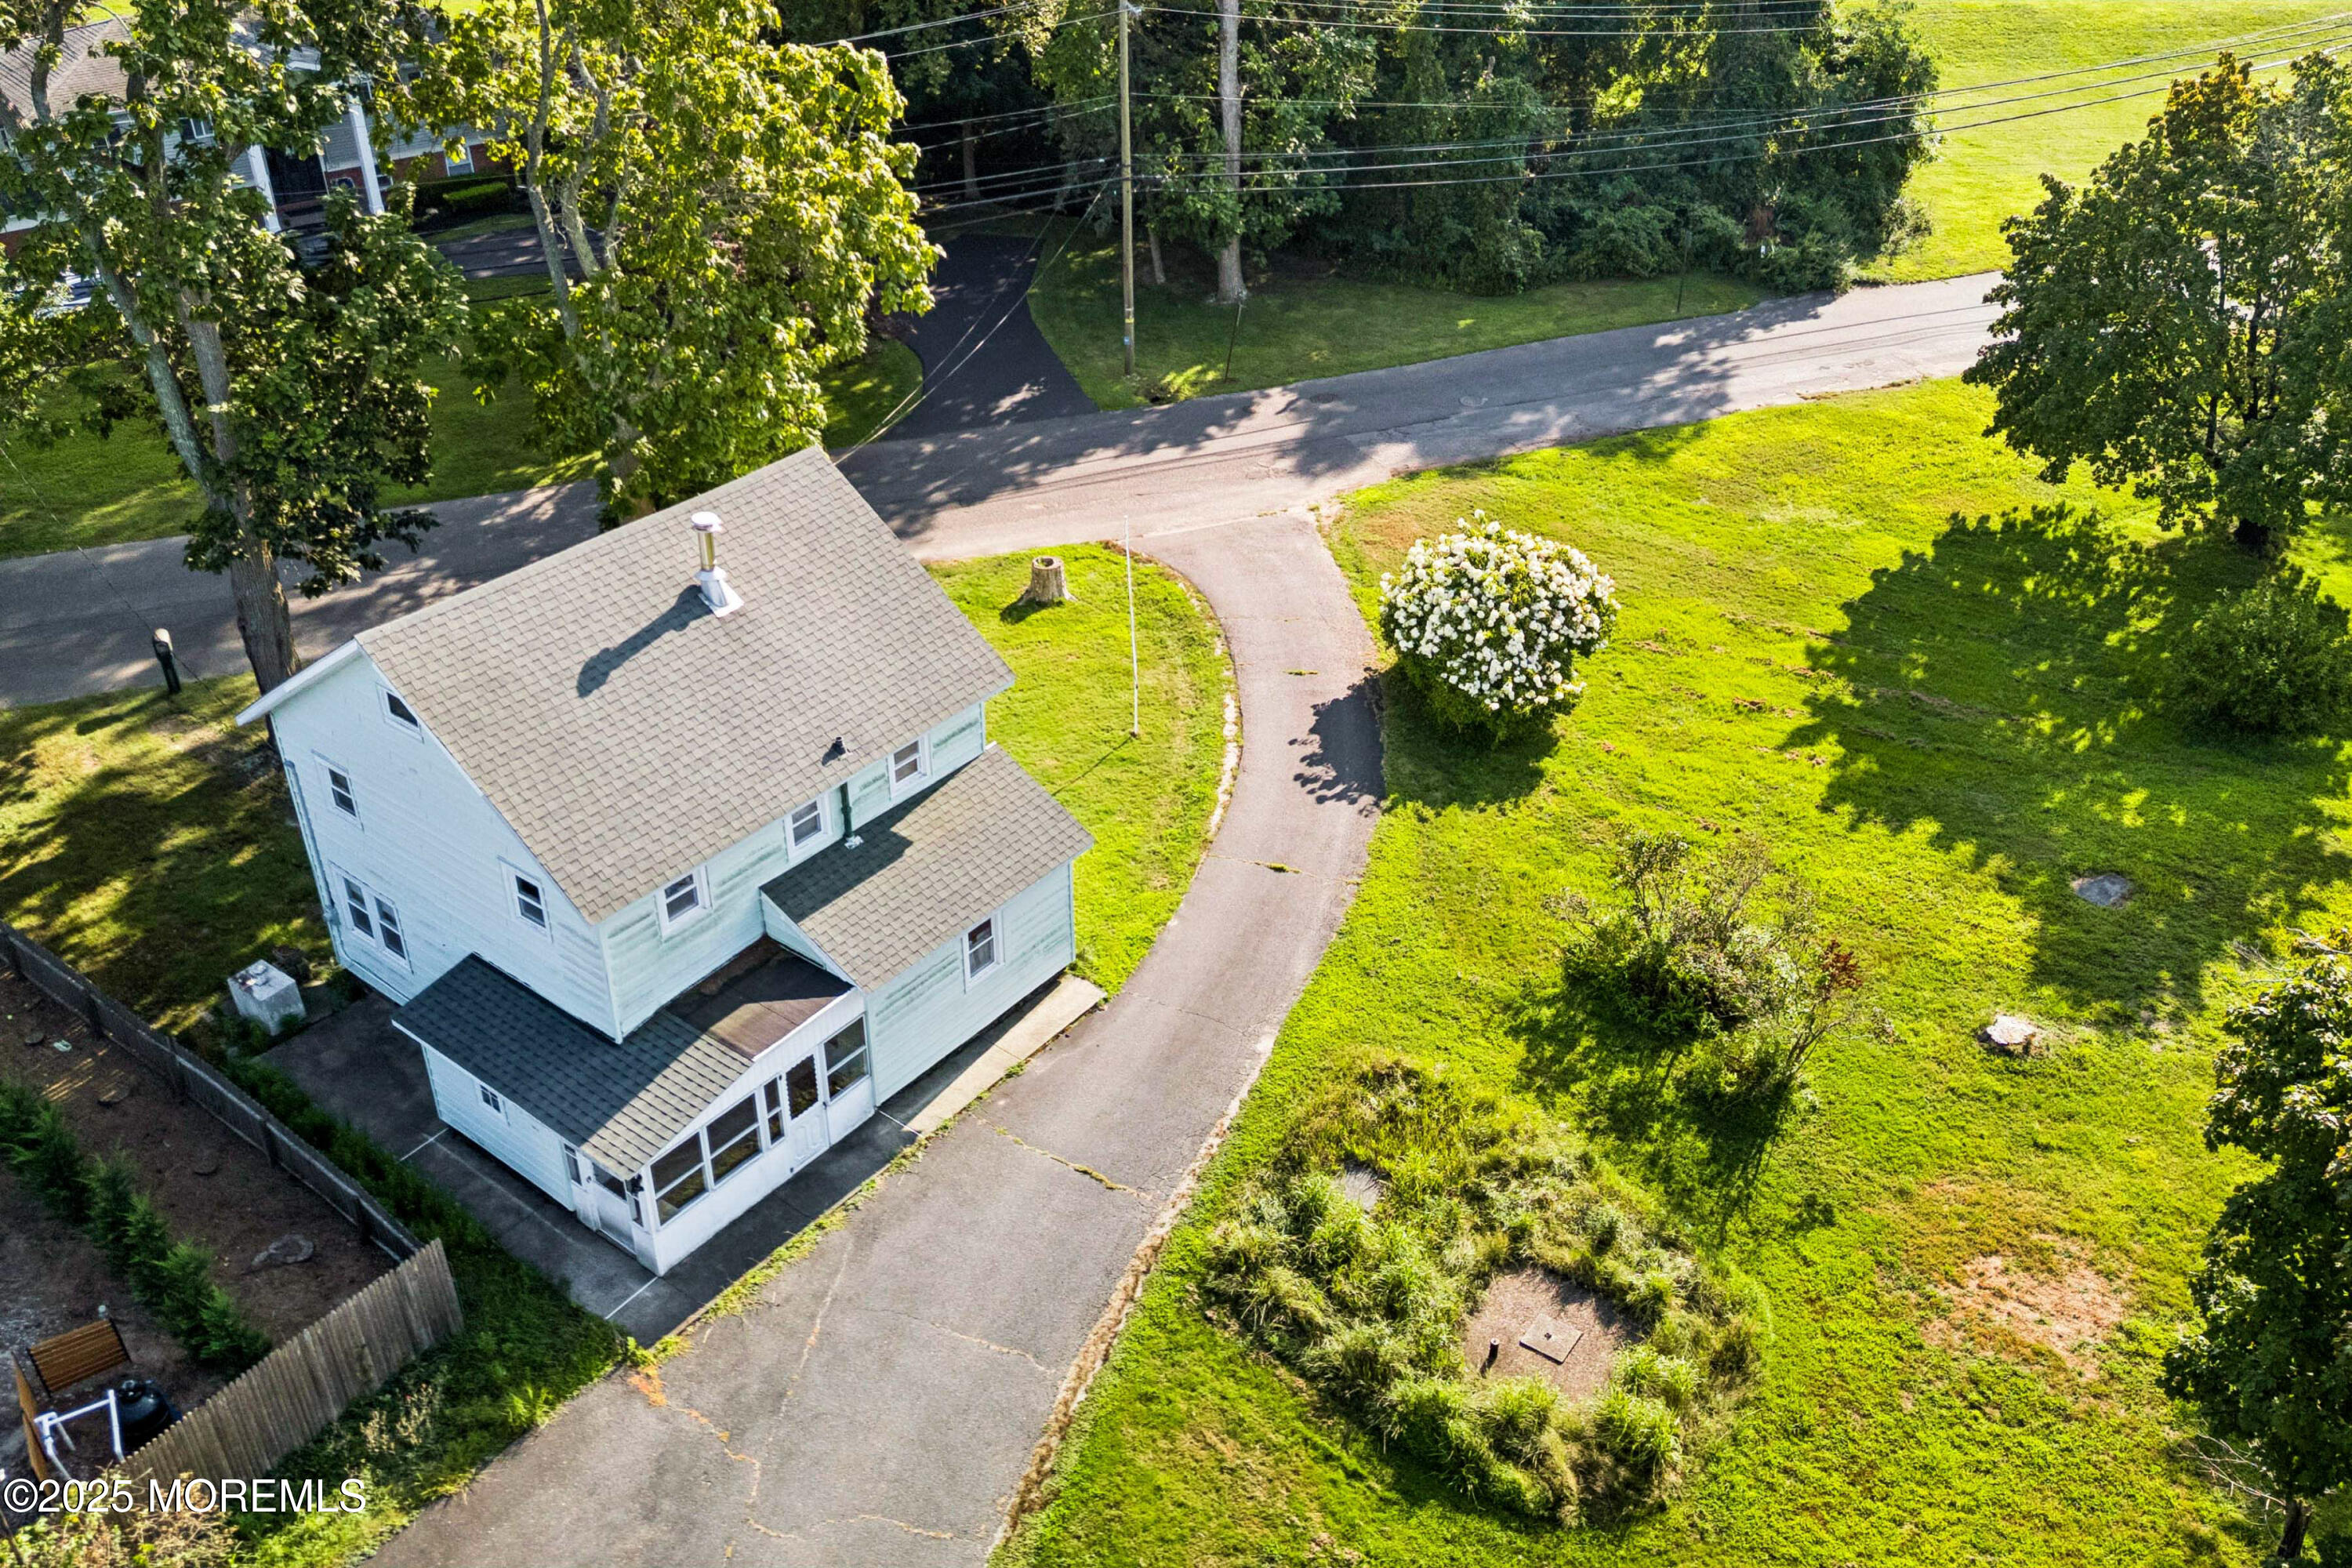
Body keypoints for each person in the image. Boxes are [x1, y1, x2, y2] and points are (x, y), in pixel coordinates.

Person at [152, 627, 181, 695]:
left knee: (171, 668)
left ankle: (176, 689)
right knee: (168, 669)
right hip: (164, 656)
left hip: (167, 655)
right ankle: (173, 689)